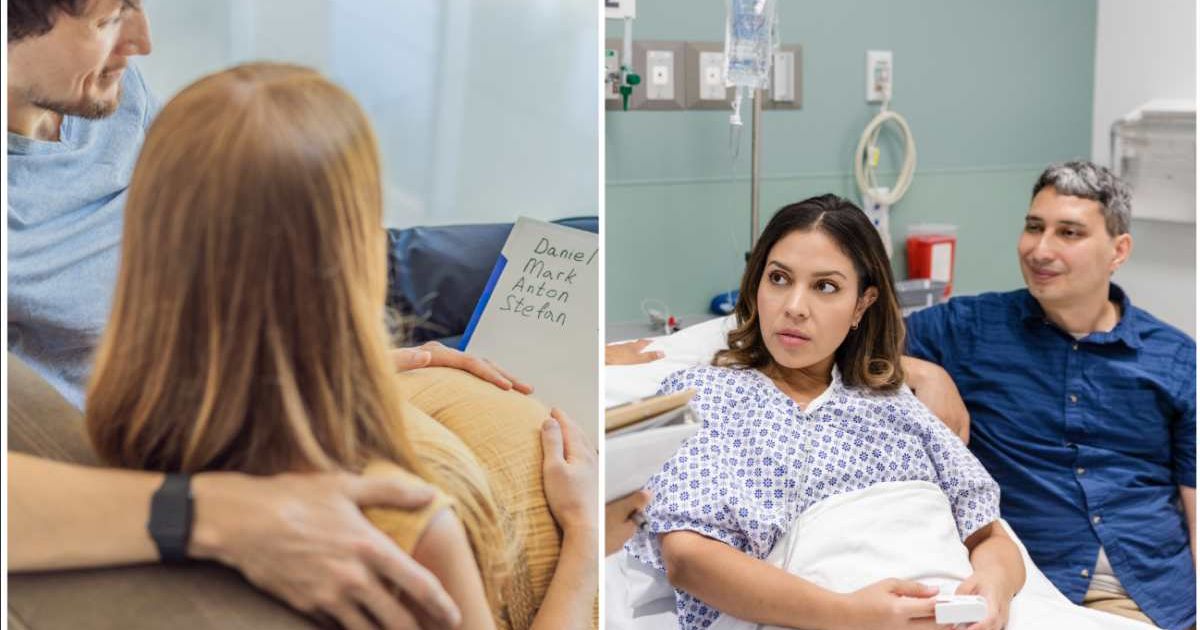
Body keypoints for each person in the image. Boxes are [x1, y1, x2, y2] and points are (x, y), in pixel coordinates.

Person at [5, 1, 541, 627]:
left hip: (283, 306)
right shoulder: (417, 528)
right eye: (105, 23)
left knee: (552, 246)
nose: (141, 42)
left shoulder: (95, 88)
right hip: (288, 305)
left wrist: (322, 357)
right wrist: (588, 534)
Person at [626, 195, 1025, 630]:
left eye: (826, 286)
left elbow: (989, 535)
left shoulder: (895, 404)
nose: (795, 306)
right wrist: (852, 615)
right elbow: (689, 558)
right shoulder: (702, 396)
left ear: (861, 304)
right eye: (779, 278)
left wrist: (994, 586)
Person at [905, 160, 1196, 629]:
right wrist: (922, 370)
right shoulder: (967, 331)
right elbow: (852, 343)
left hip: (1155, 597)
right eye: (1034, 227)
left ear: (1118, 250)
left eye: (1069, 233)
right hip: (1032, 589)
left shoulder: (1176, 358)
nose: (1041, 249)